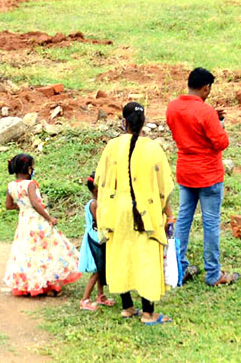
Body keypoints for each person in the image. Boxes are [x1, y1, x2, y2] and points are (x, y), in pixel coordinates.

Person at [93, 102, 175, 325]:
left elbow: (99, 180)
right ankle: (149, 313)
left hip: (117, 212)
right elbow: (163, 187)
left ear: (124, 123)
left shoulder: (112, 146)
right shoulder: (153, 148)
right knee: (146, 260)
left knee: (120, 256)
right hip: (146, 212)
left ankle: (127, 307)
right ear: (143, 123)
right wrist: (168, 213)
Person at [166, 68, 239, 287]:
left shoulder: (172, 107)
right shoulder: (206, 112)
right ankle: (213, 273)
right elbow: (221, 142)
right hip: (208, 174)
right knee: (211, 223)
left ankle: (179, 268)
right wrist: (218, 124)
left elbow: (187, 126)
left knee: (184, 220)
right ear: (206, 87)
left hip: (185, 172)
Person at [2, 153, 81, 297]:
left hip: (24, 223)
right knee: (46, 250)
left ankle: (29, 284)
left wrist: (22, 206)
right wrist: (49, 218)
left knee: (26, 252)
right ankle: (48, 284)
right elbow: (35, 203)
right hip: (37, 222)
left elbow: (9, 205)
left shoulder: (11, 186)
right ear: (29, 169)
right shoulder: (30, 184)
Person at [78, 176, 113, 311]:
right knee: (97, 271)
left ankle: (100, 295)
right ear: (97, 189)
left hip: (99, 238)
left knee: (101, 267)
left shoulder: (96, 202)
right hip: (96, 239)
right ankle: (85, 299)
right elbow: (101, 222)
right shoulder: (95, 204)